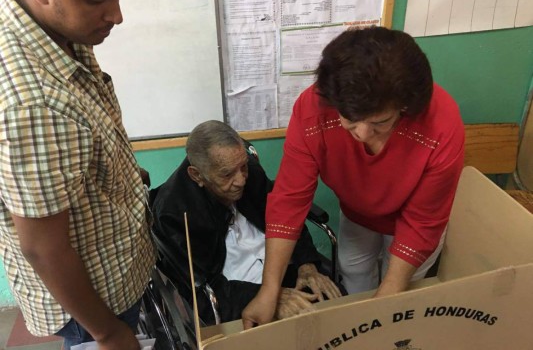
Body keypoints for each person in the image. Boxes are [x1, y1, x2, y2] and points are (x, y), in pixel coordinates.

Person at [242, 26, 465, 328]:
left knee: (396, 303)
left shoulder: (441, 123)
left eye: (380, 122)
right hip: (358, 214)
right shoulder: (312, 110)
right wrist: (270, 289)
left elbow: (423, 222)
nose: (361, 134)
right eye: (349, 120)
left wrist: (389, 297)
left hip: (416, 225)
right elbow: (290, 199)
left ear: (404, 107)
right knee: (354, 274)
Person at [0, 0, 155, 349]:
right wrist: (108, 332)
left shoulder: (57, 31)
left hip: (111, 262)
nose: (116, 15)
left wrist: (122, 173)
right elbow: (43, 246)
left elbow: (78, 133)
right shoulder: (32, 101)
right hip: (94, 303)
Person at [151, 120, 342, 325]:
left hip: (277, 269)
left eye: (243, 167)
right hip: (235, 292)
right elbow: (204, 294)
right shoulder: (174, 215)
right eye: (227, 174)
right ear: (197, 175)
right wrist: (271, 297)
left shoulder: (248, 171)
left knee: (329, 301)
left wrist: (307, 264)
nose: (241, 180)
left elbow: (284, 217)